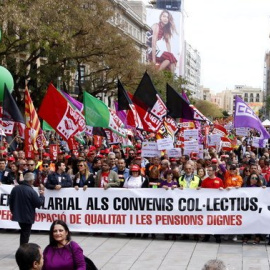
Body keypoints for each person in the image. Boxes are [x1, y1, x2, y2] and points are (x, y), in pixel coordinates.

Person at [9, 172, 45, 245]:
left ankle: (23, 248)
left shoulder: (15, 189)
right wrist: (42, 196)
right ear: (31, 181)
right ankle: (23, 250)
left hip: (19, 215)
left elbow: (11, 202)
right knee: (25, 234)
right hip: (27, 216)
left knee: (23, 232)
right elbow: (38, 203)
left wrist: (13, 211)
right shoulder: (31, 191)